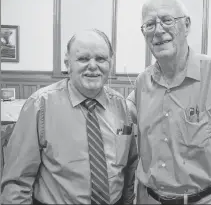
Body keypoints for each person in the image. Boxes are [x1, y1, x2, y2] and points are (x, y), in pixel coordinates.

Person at [126, 0, 211, 204]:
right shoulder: (143, 83)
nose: (158, 30)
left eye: (167, 20)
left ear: (186, 25)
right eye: (149, 24)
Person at [1, 29, 138, 204]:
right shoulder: (40, 106)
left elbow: (129, 167)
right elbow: (17, 182)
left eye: (101, 59)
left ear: (110, 63)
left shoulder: (121, 107)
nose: (93, 65)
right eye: (83, 59)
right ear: (68, 63)